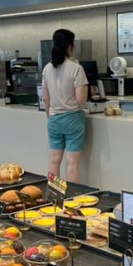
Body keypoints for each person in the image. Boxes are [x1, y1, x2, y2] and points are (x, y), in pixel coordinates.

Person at [42, 29, 88, 183]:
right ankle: (72, 196)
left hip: (54, 119)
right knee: (72, 163)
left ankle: (54, 194)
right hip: (73, 119)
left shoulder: (47, 69)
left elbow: (45, 98)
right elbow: (81, 99)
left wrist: (50, 117)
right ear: (70, 46)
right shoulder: (76, 68)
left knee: (54, 161)